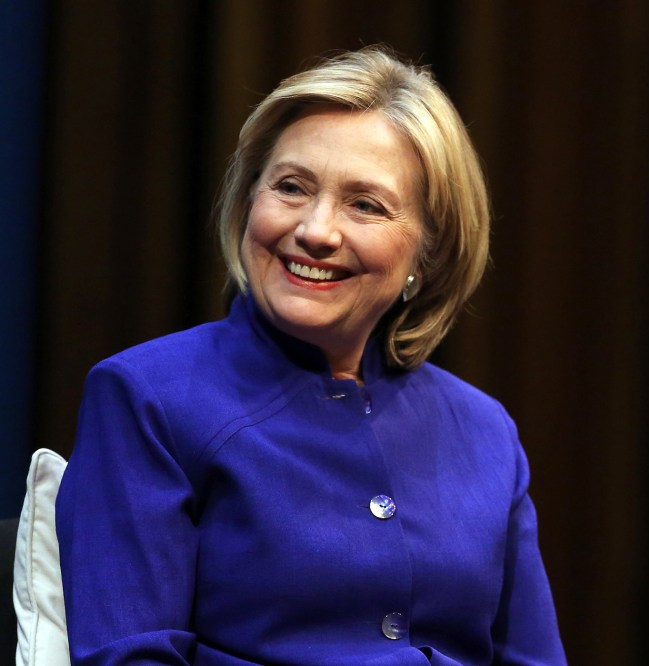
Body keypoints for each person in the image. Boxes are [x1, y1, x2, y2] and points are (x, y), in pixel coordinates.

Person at [55, 46, 566, 665]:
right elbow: (130, 655)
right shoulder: (148, 397)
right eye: (291, 188)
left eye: (365, 204)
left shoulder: (485, 430)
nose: (316, 231)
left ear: (428, 253)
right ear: (249, 202)